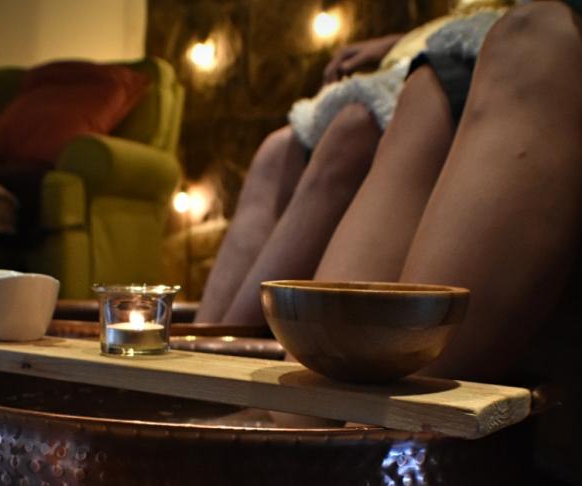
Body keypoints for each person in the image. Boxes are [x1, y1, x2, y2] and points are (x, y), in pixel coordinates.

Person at [196, 2, 514, 327]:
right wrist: (403, 40)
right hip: (437, 37)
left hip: (488, 38)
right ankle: (200, 344)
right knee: (277, 150)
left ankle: (227, 347)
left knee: (354, 126)